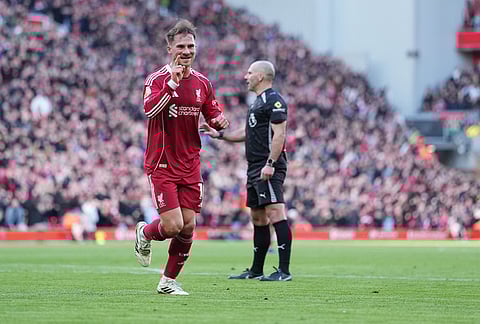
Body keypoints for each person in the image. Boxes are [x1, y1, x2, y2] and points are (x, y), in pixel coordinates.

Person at [134, 19, 229, 295]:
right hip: (162, 162)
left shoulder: (202, 83)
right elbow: (150, 111)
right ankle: (145, 233)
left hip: (190, 163)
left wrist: (219, 121)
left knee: (188, 226)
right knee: (173, 225)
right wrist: (173, 85)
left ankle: (168, 282)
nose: (186, 51)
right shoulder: (157, 80)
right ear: (169, 48)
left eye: (191, 45)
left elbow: (212, 111)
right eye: (180, 46)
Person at [200, 60, 292, 281]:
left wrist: (270, 163)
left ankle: (284, 271)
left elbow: (280, 135)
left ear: (261, 76)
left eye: (250, 73)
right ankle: (256, 270)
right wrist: (220, 135)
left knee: (275, 213)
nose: (245, 76)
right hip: (253, 168)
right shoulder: (257, 103)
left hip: (268, 165)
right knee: (258, 218)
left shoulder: (274, 101)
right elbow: (246, 133)